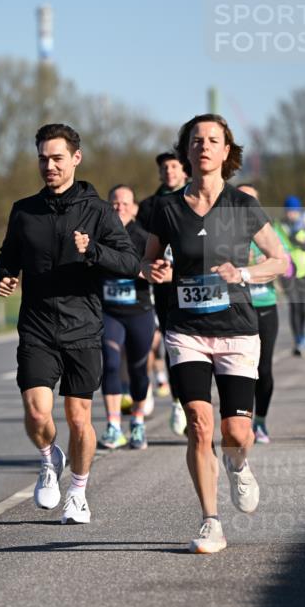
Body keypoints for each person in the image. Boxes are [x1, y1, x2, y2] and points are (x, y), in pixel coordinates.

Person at [142, 114, 287, 554]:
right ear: (186, 151)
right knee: (200, 426)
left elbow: (279, 260)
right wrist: (156, 270)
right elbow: (149, 265)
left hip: (238, 331)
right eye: (196, 140)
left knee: (236, 432)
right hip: (186, 331)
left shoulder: (242, 205)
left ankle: (238, 464)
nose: (204, 146)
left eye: (213, 140)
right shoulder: (165, 209)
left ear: (227, 152)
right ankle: (210, 520)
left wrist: (241, 272)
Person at [0, 123, 140, 524]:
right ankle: (47, 458)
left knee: (78, 419)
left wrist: (93, 250)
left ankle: (78, 491)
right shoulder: (24, 210)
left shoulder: (98, 211)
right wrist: (3, 276)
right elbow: (9, 254)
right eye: (43, 158)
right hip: (38, 326)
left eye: (57, 158)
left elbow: (129, 263)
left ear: (76, 158)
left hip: (83, 327)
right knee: (38, 412)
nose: (49, 165)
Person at [99, 185, 155, 451]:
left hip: (139, 312)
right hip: (109, 312)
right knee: (110, 363)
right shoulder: (99, 235)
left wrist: (144, 271)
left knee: (137, 370)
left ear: (133, 207)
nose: (119, 207)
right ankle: (113, 426)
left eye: (124, 203)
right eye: (114, 203)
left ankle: (137, 422)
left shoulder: (144, 238)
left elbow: (161, 271)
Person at [237, 183, 293, 444]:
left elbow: (289, 268)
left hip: (265, 307)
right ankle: (242, 422)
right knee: (239, 371)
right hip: (236, 308)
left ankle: (260, 422)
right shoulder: (224, 232)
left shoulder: (272, 232)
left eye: (252, 200)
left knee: (264, 368)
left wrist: (268, 265)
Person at [138, 151, 189, 436]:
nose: (169, 171)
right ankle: (179, 402)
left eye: (174, 166)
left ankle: (195, 400)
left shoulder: (198, 199)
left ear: (184, 170)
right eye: (164, 168)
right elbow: (142, 246)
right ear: (160, 174)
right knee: (174, 345)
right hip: (164, 287)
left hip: (196, 285)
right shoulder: (149, 207)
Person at [277, 196, 305, 356]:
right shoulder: (279, 226)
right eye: (289, 211)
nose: (291, 214)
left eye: (294, 211)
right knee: (294, 305)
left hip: (304, 270)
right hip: (288, 270)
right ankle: (298, 340)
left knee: (303, 306)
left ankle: (303, 336)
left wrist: (300, 243)